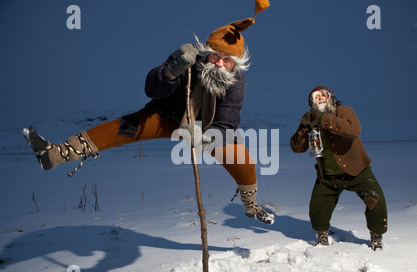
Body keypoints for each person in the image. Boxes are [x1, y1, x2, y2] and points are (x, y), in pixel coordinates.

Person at [23, 18, 275, 225]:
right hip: (169, 116)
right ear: (206, 52)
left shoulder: (236, 83)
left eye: (227, 59)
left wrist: (203, 138)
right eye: (215, 56)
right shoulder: (186, 58)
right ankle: (56, 154)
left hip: (209, 130)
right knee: (125, 126)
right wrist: (172, 70)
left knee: (242, 160)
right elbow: (151, 88)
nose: (219, 63)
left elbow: (227, 122)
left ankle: (251, 206)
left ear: (235, 64)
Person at [290, 86, 387, 250]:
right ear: (311, 103)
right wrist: (302, 129)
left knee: (375, 201)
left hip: (357, 172)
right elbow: (297, 148)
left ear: (331, 98)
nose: (319, 98)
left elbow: (353, 130)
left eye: (323, 95)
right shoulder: (312, 119)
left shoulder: (343, 111)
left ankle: (376, 237)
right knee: (317, 209)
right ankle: (322, 237)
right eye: (315, 97)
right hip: (328, 176)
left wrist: (323, 119)